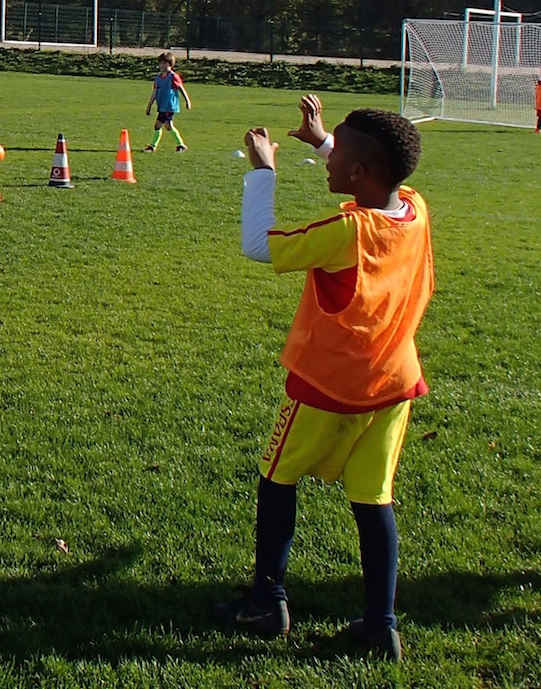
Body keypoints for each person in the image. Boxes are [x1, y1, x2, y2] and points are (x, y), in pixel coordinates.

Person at [213, 94, 433, 662]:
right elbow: (377, 179)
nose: (328, 161)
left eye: (335, 156)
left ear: (358, 172)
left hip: (331, 385)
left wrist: (264, 169)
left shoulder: (348, 231)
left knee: (277, 478)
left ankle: (267, 601)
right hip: (394, 384)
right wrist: (322, 140)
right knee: (374, 500)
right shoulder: (414, 209)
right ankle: (381, 625)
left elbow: (259, 246)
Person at [144, 51, 192, 152]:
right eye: (161, 63)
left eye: (164, 63)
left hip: (169, 106)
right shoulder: (158, 78)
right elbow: (155, 92)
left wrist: (187, 101)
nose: (162, 65)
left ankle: (152, 146)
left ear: (170, 64)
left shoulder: (173, 76)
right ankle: (180, 145)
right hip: (162, 105)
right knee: (168, 126)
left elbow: (181, 88)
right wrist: (149, 105)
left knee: (158, 125)